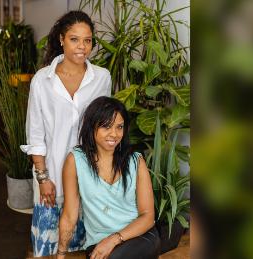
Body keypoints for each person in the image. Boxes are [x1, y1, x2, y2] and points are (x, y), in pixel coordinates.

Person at [20, 10, 111, 257]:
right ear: (61, 39)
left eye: (88, 40)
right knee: (48, 247)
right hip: (51, 177)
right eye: (74, 39)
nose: (82, 47)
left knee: (84, 248)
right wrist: (43, 178)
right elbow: (35, 132)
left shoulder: (102, 78)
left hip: (89, 179)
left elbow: (104, 128)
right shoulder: (43, 80)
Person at [56, 96, 160, 259]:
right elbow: (69, 215)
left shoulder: (135, 161)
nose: (114, 134)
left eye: (119, 127)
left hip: (140, 238)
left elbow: (148, 216)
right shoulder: (76, 161)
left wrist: (114, 239)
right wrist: (61, 254)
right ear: (92, 127)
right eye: (106, 127)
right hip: (99, 245)